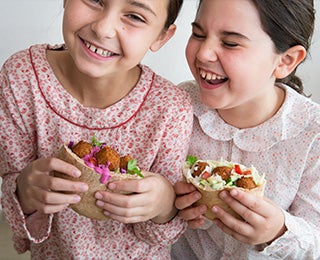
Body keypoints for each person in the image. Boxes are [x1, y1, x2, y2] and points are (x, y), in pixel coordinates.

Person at [0, 0, 193, 259]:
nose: (103, 28)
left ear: (161, 36)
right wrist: (24, 189)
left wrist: (163, 202)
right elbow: (13, 191)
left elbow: (166, 230)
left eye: (135, 17)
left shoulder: (170, 108)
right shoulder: (21, 77)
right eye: (95, 0)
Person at [171, 0, 320, 259]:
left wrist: (278, 231)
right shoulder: (175, 106)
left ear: (286, 60)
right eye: (198, 34)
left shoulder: (312, 134)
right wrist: (166, 204)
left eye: (230, 43)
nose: (204, 53)